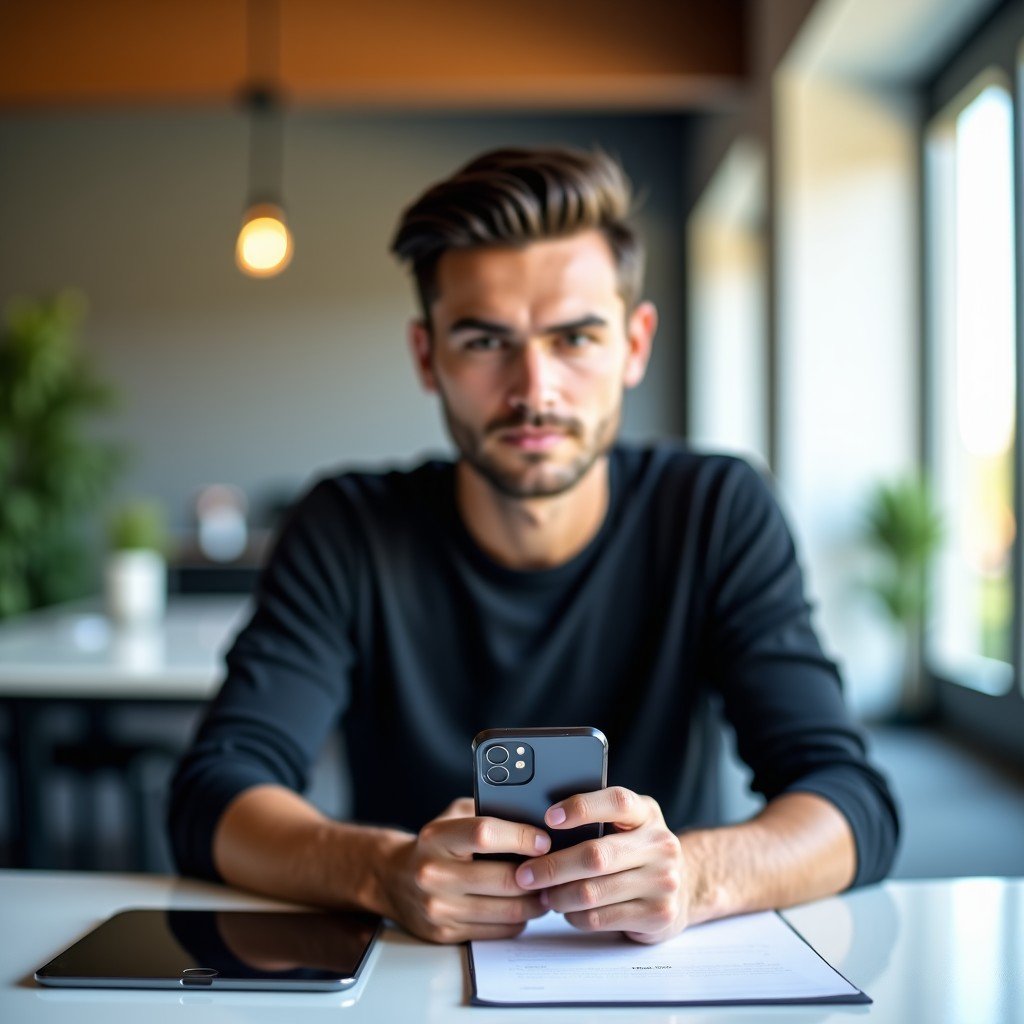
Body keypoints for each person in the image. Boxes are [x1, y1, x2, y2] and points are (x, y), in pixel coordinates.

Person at [170, 146, 899, 946]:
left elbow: (848, 800)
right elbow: (215, 793)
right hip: (413, 980)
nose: (534, 389)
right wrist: (380, 871)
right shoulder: (346, 526)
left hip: (661, 982)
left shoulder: (715, 509)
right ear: (428, 356)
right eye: (485, 342)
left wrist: (694, 877)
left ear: (633, 344)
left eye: (576, 338)